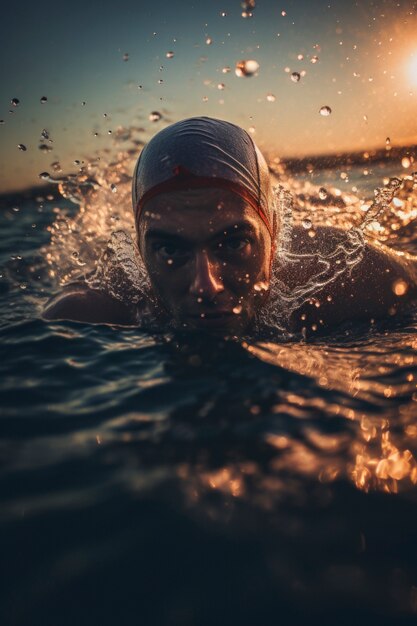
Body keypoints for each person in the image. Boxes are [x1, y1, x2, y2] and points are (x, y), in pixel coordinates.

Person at [43, 116, 417, 334]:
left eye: (235, 243)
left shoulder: (363, 276)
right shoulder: (86, 314)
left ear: (271, 231)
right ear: (140, 250)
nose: (206, 286)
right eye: (170, 249)